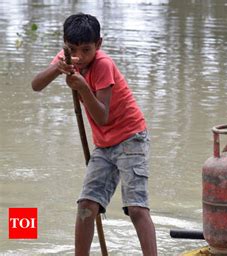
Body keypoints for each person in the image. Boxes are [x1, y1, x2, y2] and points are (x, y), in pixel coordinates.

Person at [31, 13, 157, 255]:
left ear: (98, 45)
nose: (79, 57)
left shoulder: (103, 65)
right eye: (72, 49)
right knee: (86, 205)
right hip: (104, 144)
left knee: (136, 208)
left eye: (86, 50)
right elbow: (36, 85)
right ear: (65, 45)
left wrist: (82, 87)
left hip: (131, 138)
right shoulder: (67, 58)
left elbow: (102, 116)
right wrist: (58, 68)